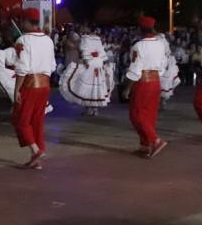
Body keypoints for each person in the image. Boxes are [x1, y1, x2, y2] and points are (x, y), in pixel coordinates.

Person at [11, 8, 55, 169]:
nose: (21, 24)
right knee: (37, 121)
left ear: (27, 22)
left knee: (20, 119)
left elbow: (22, 68)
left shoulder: (23, 40)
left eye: (22, 21)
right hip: (45, 85)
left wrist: (17, 89)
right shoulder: (48, 40)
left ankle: (35, 150)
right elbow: (52, 65)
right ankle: (37, 158)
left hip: (30, 85)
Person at [122, 16, 169, 158]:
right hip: (156, 81)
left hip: (143, 82)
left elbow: (136, 68)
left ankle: (155, 140)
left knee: (136, 114)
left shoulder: (139, 46)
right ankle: (145, 145)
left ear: (140, 29)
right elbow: (164, 63)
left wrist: (128, 87)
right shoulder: (161, 44)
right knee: (149, 114)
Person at [59, 25, 113, 115]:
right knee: (96, 84)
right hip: (98, 63)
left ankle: (89, 109)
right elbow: (102, 53)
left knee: (86, 86)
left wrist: (86, 60)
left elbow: (84, 50)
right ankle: (94, 109)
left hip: (90, 63)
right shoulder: (98, 39)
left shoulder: (85, 38)